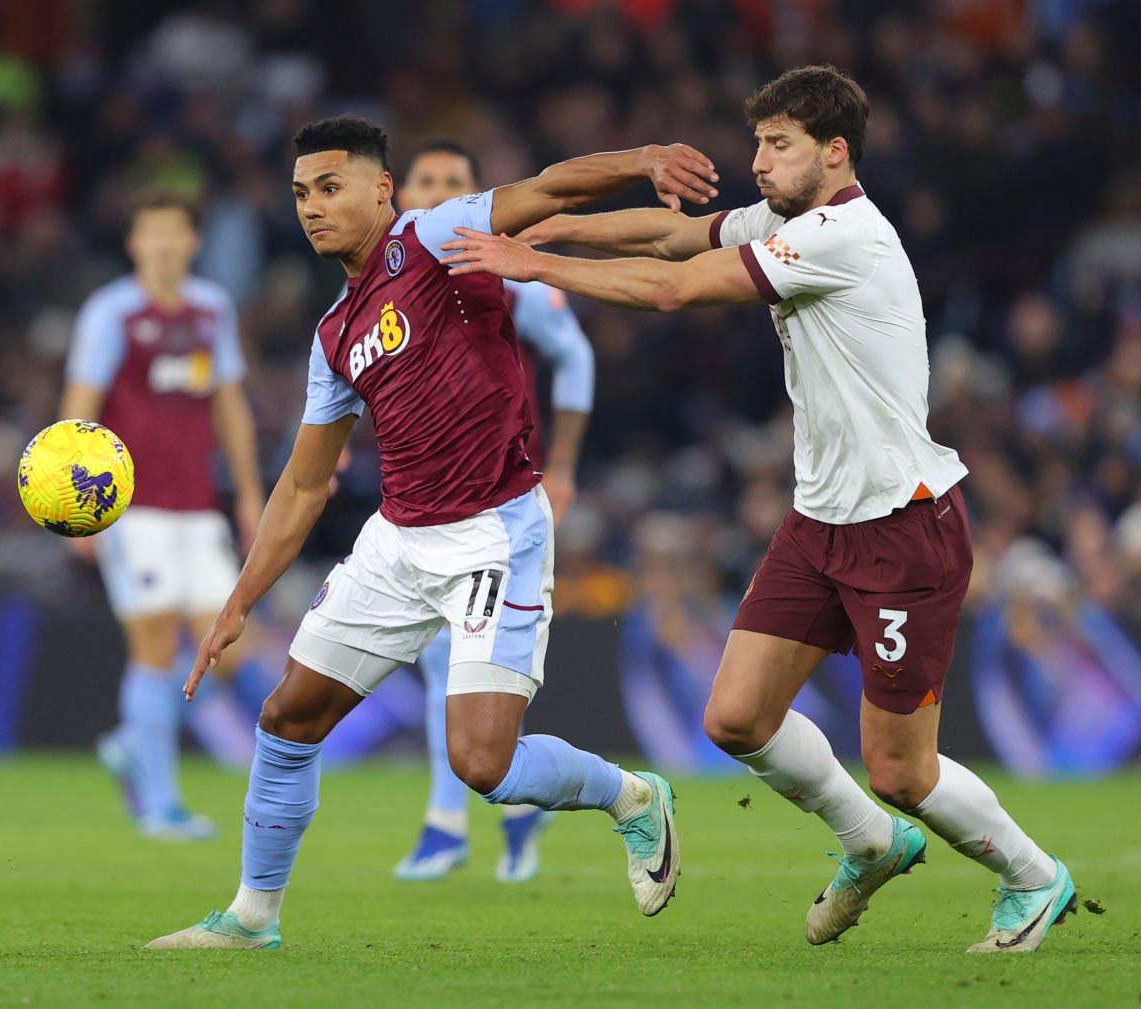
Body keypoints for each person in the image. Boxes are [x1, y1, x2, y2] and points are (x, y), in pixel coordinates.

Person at [441, 65, 1079, 954]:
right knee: (735, 717)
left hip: (903, 526)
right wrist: (555, 223)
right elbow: (671, 236)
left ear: (835, 151)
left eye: (778, 145)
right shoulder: (786, 219)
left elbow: (676, 288)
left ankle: (1033, 875)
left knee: (901, 767)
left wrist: (533, 263)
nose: (759, 161)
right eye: (758, 143)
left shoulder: (844, 235)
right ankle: (869, 843)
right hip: (819, 523)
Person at [146, 115, 719, 949]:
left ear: (383, 189)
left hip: (495, 532)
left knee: (482, 764)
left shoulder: (431, 237)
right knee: (288, 716)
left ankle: (633, 796)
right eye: (302, 193)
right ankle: (250, 916)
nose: (313, 207)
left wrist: (642, 160)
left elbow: (550, 189)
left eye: (330, 187)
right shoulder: (335, 335)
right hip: (398, 538)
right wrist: (238, 602)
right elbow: (305, 483)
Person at [390, 141, 596, 883]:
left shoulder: (509, 277)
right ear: (401, 192)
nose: (438, 194)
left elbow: (576, 357)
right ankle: (513, 805)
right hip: (420, 503)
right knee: (447, 666)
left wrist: (565, 462)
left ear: (474, 200)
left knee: (454, 659)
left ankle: (445, 826)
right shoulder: (383, 279)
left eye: (455, 185)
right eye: (427, 181)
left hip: (499, 502)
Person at [62, 191, 264, 841]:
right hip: (131, 509)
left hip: (198, 507)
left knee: (225, 651)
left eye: (175, 233)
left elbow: (229, 402)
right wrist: (78, 508)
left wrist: (252, 492)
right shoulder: (111, 313)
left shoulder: (212, 310)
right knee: (154, 650)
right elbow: (80, 407)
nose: (165, 245)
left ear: (193, 242)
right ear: (134, 244)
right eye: (152, 234)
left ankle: (129, 743)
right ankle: (160, 802)